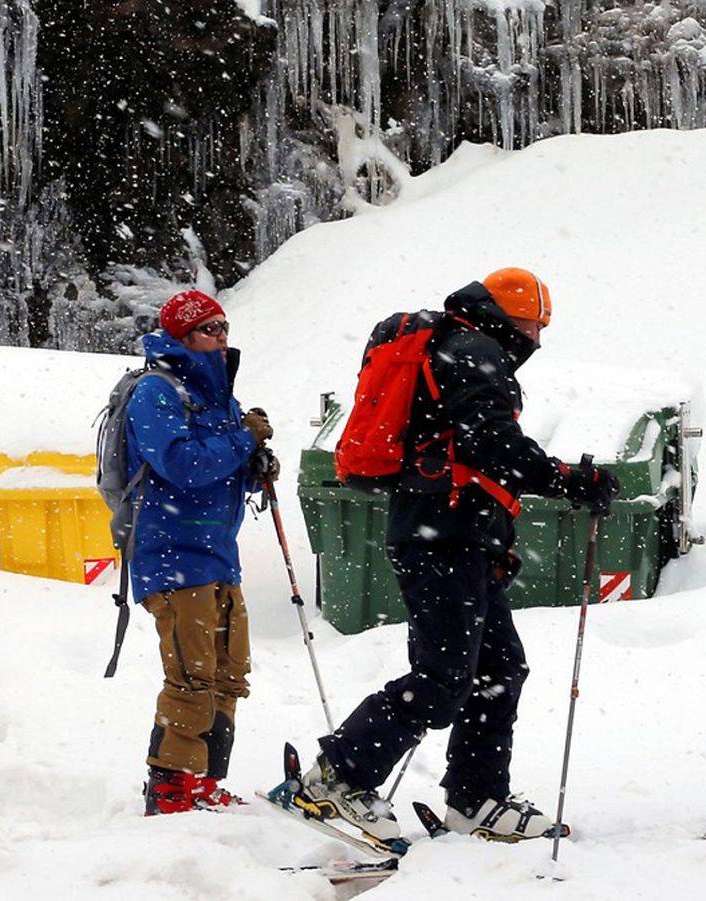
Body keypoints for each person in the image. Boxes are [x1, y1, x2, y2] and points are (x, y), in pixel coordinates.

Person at [296, 268, 620, 842]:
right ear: (502, 316)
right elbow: (492, 447)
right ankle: (337, 777)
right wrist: (571, 479)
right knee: (445, 677)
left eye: (541, 327)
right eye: (530, 325)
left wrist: (495, 539)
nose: (537, 341)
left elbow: (466, 454)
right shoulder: (471, 350)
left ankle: (476, 800)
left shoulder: (456, 346)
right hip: (440, 538)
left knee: (498, 669)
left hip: (456, 536)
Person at [128, 288, 277, 815]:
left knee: (228, 673)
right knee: (191, 674)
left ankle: (207, 783)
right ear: (182, 336)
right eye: (209, 329)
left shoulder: (218, 397)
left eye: (224, 327)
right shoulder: (156, 393)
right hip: (171, 553)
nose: (221, 337)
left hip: (217, 552)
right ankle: (171, 788)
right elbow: (182, 465)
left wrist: (255, 469)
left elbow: (218, 471)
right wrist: (242, 443)